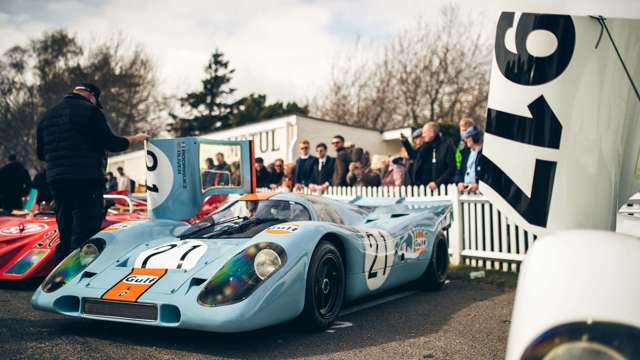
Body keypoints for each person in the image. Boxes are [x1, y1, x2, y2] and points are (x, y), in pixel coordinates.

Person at [36, 83, 148, 263]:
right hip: (85, 179)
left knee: (65, 232)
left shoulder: (46, 117)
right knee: (84, 235)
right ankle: (76, 278)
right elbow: (111, 142)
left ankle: (55, 280)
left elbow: (41, 153)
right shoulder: (90, 111)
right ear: (91, 96)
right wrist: (135, 138)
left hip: (57, 181)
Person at [412, 122, 456, 191]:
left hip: (443, 189)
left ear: (432, 133)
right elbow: (415, 158)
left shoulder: (446, 145)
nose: (422, 135)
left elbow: (451, 167)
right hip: (425, 189)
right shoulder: (425, 147)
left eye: (424, 132)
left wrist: (438, 183)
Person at [455, 125, 485, 194]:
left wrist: (478, 185)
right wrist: (459, 182)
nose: (466, 140)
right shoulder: (466, 153)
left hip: (480, 194)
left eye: (468, 137)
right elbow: (459, 171)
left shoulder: (484, 154)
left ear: (475, 138)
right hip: (468, 194)